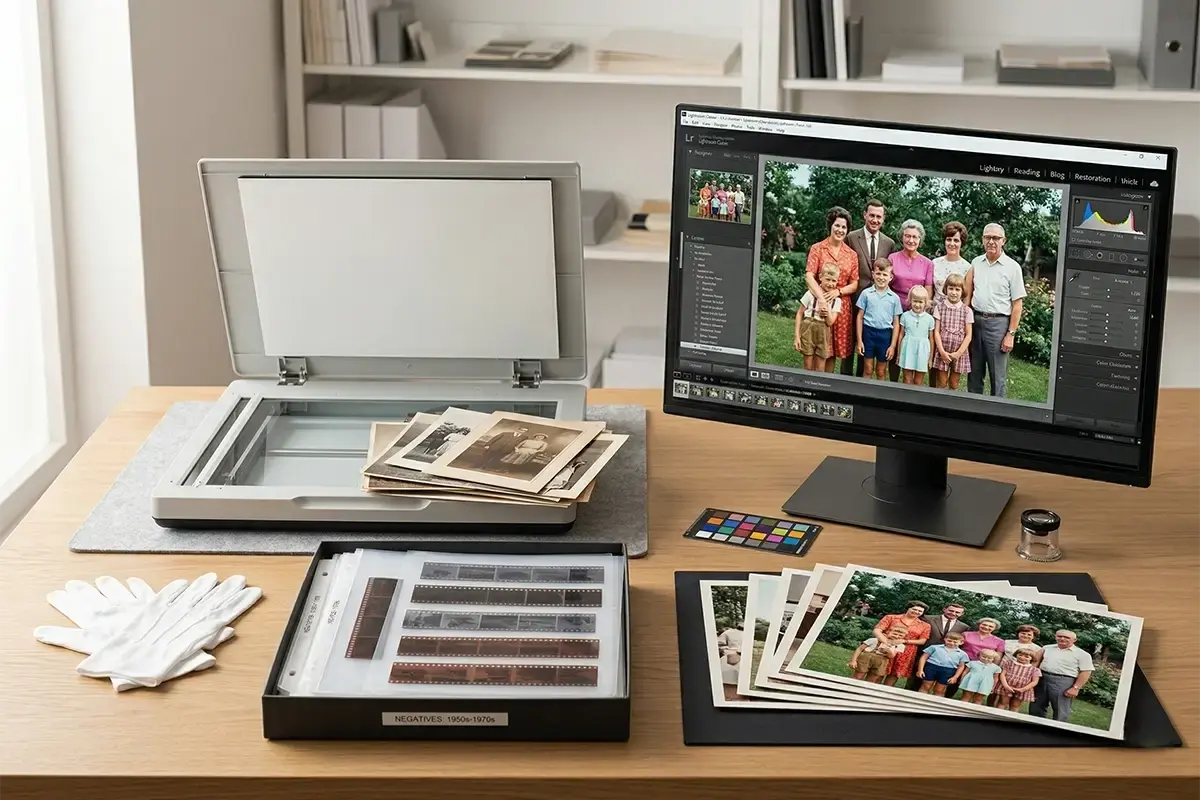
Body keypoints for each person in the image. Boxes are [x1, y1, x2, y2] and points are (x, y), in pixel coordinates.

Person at [964, 222, 1026, 397]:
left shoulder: (1012, 267)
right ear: (982, 240)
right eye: (988, 237)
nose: (991, 241)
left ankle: (997, 414)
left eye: (996, 238)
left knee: (997, 376)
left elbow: (1017, 304)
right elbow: (968, 296)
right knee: (974, 372)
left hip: (998, 324)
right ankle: (973, 410)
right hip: (975, 321)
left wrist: (1010, 334)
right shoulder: (976, 262)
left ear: (1003, 241)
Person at [803, 207, 864, 373]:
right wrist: (821, 298)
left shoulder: (851, 254)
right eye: (837, 225)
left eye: (844, 227)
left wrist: (838, 292)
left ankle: (825, 385)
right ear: (831, 226)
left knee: (832, 352)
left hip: (839, 308)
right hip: (818, 305)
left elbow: (854, 283)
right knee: (815, 349)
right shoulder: (818, 248)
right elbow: (809, 275)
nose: (840, 230)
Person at [843, 199, 895, 377]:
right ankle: (845, 381)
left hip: (878, 303)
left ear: (883, 218)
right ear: (865, 215)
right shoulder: (851, 237)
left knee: (868, 351)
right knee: (851, 344)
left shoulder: (889, 243)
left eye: (879, 216)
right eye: (871, 215)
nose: (875, 220)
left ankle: (861, 382)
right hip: (855, 297)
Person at [886, 219, 935, 382]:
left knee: (915, 349)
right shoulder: (892, 258)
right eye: (907, 236)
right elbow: (887, 283)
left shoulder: (927, 263)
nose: (911, 240)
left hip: (918, 311)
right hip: (894, 310)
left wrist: (923, 314)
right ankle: (894, 384)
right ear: (902, 237)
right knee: (895, 347)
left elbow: (928, 290)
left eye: (915, 237)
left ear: (920, 239)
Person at [1029, 630, 1094, 723]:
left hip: (1063, 681)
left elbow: (1086, 672)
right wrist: (1029, 676)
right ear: (1056, 637)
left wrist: (1076, 688)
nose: (1062, 638)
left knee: (1061, 709)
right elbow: (1036, 661)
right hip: (1041, 678)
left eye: (1067, 637)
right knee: (1036, 705)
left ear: (1074, 640)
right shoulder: (1047, 648)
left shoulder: (1082, 654)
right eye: (1059, 636)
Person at [856, 258, 902, 381]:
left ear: (891, 277)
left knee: (881, 371)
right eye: (878, 274)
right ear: (873, 274)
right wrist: (859, 340)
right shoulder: (866, 294)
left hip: (885, 335)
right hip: (868, 333)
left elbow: (896, 323)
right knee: (868, 368)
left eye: (885, 274)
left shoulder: (894, 298)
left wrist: (892, 346)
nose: (881, 277)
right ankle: (865, 397)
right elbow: (860, 317)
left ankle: (879, 397)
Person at [870, 600, 931, 687]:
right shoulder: (891, 618)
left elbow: (922, 641)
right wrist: (886, 642)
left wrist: (904, 641)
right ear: (908, 608)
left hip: (906, 652)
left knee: (894, 674)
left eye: (920, 611)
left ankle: (884, 692)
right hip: (887, 647)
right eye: (914, 609)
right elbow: (877, 630)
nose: (916, 612)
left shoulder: (925, 625)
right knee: (880, 670)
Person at [794, 262, 842, 371]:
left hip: (823, 333)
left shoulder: (836, 301)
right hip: (808, 329)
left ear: (837, 281)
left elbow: (830, 322)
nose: (830, 283)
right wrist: (797, 336)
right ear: (820, 277)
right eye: (828, 279)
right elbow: (800, 313)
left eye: (833, 280)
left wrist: (827, 311)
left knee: (820, 367)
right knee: (808, 366)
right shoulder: (810, 294)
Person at [931, 272, 974, 390]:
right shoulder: (939, 307)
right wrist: (942, 352)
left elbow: (969, 335)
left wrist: (958, 353)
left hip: (959, 352)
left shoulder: (967, 311)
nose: (954, 292)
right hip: (943, 350)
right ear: (946, 289)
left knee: (954, 383)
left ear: (962, 291)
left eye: (957, 289)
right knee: (941, 382)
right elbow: (936, 332)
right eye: (951, 288)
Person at [896, 285, 935, 386]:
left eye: (920, 302)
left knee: (918, 381)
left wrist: (930, 358)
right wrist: (899, 354)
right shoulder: (905, 316)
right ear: (910, 301)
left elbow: (931, 339)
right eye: (915, 301)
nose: (917, 305)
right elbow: (901, 335)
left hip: (922, 351)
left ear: (925, 303)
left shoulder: (929, 319)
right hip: (908, 349)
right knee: (907, 379)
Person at [916, 632, 970, 696]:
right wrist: (920, 670)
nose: (952, 643)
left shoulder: (962, 654)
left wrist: (955, 677)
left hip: (948, 671)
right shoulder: (935, 648)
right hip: (931, 667)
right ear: (945, 639)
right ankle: (920, 701)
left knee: (940, 690)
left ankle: (935, 704)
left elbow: (961, 666)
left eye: (955, 642)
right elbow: (924, 657)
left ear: (961, 642)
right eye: (949, 641)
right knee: (926, 686)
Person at [995, 648, 1042, 712]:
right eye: (1020, 655)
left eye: (1026, 657)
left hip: (1022, 689)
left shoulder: (1034, 669)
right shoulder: (1009, 663)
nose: (1022, 657)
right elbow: (1002, 674)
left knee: (1015, 705)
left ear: (1032, 658)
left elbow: (1034, 682)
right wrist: (1006, 686)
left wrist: (1023, 689)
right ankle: (997, 717)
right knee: (1003, 702)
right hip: (1007, 687)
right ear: (1016, 655)